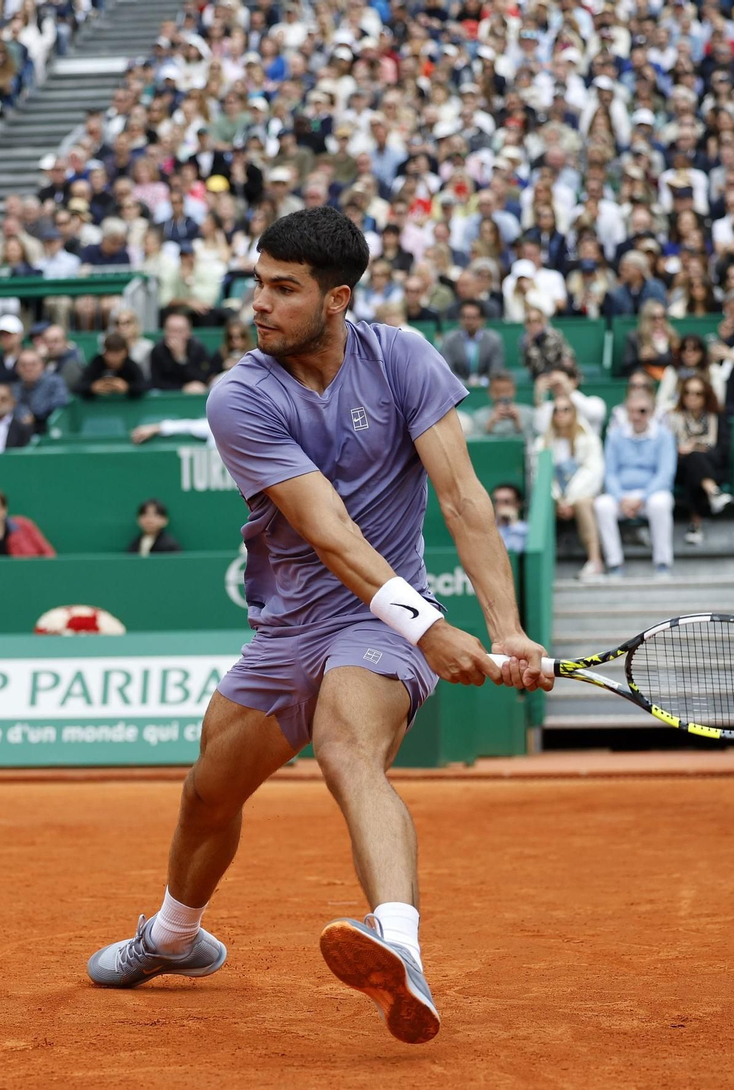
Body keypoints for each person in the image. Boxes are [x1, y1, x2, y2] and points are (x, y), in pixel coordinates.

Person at [86, 209, 547, 1046]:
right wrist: (435, 628)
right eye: (257, 283)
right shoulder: (241, 395)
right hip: (289, 627)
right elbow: (329, 531)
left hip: (372, 630)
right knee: (206, 793)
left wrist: (505, 627)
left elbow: (463, 497)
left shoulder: (403, 357)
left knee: (346, 749)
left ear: (337, 299)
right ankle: (175, 939)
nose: (258, 303)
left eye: (282, 289)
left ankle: (399, 948)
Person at [594, 390, 678, 577]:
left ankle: (662, 563)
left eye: (642, 411)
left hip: (651, 495)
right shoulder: (615, 436)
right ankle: (615, 564)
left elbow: (666, 472)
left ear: (651, 411)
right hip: (622, 495)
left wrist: (644, 497)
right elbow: (610, 472)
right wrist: (620, 498)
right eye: (632, 411)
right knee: (602, 505)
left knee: (660, 503)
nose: (636, 416)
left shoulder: (664, 436)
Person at [670, 378, 734, 546]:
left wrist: (694, 447)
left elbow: (722, 453)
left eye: (698, 393)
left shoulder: (717, 418)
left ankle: (695, 524)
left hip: (713, 468)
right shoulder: (673, 418)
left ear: (706, 396)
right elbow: (669, 450)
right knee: (692, 462)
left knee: (695, 462)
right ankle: (713, 492)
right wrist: (692, 449)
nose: (692, 397)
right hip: (680, 470)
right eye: (687, 393)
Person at [438, 301, 504, 386]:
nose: (469, 322)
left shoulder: (494, 340)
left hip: (486, 388)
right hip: (457, 388)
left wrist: (482, 382)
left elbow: (496, 369)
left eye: (473, 318)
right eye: (465, 317)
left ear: (482, 319)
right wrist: (461, 383)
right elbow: (447, 369)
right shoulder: (449, 340)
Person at [148, 313, 217, 392]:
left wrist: (181, 358)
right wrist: (182, 388)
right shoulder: (158, 350)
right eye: (171, 331)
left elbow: (203, 376)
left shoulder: (197, 348)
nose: (175, 336)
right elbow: (157, 382)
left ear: (188, 332)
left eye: (180, 331)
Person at [11, 348, 70, 434]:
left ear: (42, 365)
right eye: (23, 365)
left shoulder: (55, 382)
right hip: (22, 432)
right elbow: (14, 406)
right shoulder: (16, 388)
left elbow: (61, 401)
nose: (28, 368)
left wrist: (35, 416)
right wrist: (24, 415)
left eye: (33, 364)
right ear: (17, 368)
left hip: (48, 429)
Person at [79, 333, 149, 399]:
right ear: (105, 353)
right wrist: (93, 387)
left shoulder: (130, 365)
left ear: (125, 352)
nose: (113, 358)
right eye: (110, 353)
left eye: (117, 353)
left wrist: (127, 387)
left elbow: (144, 385)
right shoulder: (97, 362)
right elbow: (79, 385)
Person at [469, 371, 532, 444]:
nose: (503, 395)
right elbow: (475, 446)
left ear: (514, 390)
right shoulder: (479, 416)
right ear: (490, 392)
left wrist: (518, 425)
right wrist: (490, 425)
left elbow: (535, 444)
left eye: (507, 390)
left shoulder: (528, 413)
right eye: (497, 391)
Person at [492, 483, 529, 554]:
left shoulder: (527, 530)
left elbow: (517, 549)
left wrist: (513, 522)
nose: (501, 505)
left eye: (506, 501)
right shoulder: (486, 528)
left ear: (518, 503)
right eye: (497, 501)